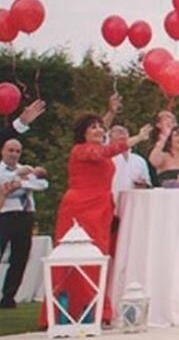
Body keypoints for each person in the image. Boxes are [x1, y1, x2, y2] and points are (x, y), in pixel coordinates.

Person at [42, 98, 126, 327]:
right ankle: (72, 310)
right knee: (79, 256)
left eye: (101, 126)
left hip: (100, 208)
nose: (100, 129)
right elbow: (101, 153)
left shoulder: (94, 145)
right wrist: (133, 139)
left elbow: (100, 140)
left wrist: (109, 112)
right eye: (94, 127)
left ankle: (94, 309)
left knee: (98, 255)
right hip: (80, 209)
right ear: (83, 133)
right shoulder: (81, 150)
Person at [0, 136, 49, 308]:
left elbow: (42, 184)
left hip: (25, 215)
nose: (14, 154)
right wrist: (19, 179)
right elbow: (4, 184)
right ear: (3, 151)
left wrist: (21, 182)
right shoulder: (3, 170)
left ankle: (8, 296)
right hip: (5, 214)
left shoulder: (25, 169)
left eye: (17, 151)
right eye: (10, 150)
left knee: (20, 257)